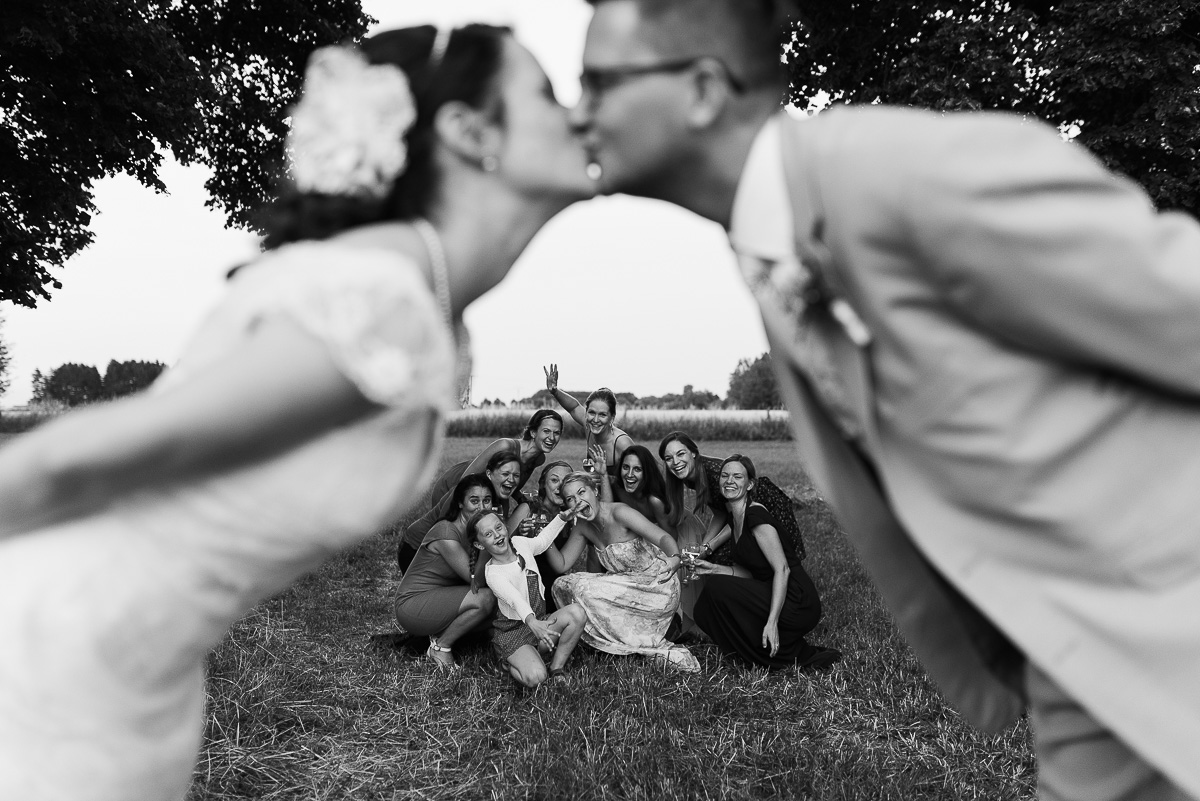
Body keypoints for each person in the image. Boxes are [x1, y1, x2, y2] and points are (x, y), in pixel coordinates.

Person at [571, 1, 1200, 797]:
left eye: (598, 82)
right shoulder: (774, 248)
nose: (578, 112)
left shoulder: (905, 174)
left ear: (700, 90)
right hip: (1080, 668)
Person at [0, 22, 594, 800]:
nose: (577, 112)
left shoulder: (420, 297)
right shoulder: (385, 298)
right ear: (469, 131)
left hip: (144, 673)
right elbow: (77, 459)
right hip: (56, 656)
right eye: (546, 94)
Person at [691, 455, 838, 671]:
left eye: (737, 476)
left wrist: (772, 622)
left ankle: (764, 650)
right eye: (725, 475)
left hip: (798, 599)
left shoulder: (756, 516)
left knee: (716, 588)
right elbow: (749, 573)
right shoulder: (735, 518)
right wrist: (713, 568)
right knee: (704, 608)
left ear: (749, 484)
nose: (729, 481)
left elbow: (783, 569)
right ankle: (749, 651)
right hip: (770, 588)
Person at [549, 472, 699, 672]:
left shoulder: (620, 513)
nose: (578, 501)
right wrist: (545, 535)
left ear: (594, 490)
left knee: (584, 590)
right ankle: (613, 639)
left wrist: (674, 558)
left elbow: (663, 538)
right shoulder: (582, 526)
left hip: (656, 585)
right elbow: (562, 565)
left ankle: (642, 634)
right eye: (570, 499)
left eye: (581, 492)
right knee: (562, 585)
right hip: (624, 584)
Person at [398, 408, 563, 569]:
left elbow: (511, 484)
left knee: (484, 533)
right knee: (449, 529)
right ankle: (424, 556)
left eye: (557, 433)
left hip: (489, 493)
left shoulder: (538, 458)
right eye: (547, 431)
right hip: (456, 485)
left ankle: (469, 563)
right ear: (533, 433)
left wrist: (520, 498)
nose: (552, 437)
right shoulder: (505, 445)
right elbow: (466, 480)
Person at [471, 508, 588, 687]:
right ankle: (508, 663)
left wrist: (561, 518)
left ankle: (556, 667)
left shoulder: (519, 543)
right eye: (488, 534)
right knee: (536, 677)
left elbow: (542, 541)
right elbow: (514, 599)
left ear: (505, 527)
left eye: (498, 527)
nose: (497, 535)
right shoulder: (493, 573)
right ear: (480, 545)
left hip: (539, 622)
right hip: (514, 632)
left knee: (577, 613)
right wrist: (532, 622)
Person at [394, 474, 499, 668]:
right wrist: (487, 543)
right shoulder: (445, 532)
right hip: (413, 604)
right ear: (460, 503)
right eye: (474, 500)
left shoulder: (474, 529)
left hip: (443, 597)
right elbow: (475, 581)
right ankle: (440, 647)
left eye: (487, 500)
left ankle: (451, 634)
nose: (482, 507)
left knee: (500, 609)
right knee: (486, 598)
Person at [543, 364, 634, 480]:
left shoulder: (622, 443)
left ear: (612, 417)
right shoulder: (588, 425)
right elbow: (574, 407)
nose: (595, 420)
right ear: (586, 413)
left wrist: (604, 478)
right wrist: (555, 391)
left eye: (602, 415)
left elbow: (639, 476)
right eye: (591, 413)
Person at [611, 444, 671, 530]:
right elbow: (607, 515)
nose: (630, 474)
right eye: (626, 467)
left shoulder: (654, 501)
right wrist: (604, 476)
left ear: (647, 473)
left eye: (637, 469)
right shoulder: (619, 490)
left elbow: (672, 536)